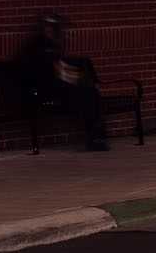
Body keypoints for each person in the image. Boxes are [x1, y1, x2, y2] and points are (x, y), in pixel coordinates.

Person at [16, 11, 112, 150]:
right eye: (54, 28)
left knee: (90, 93)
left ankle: (96, 136)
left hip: (54, 87)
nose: (57, 32)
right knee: (88, 94)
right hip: (39, 91)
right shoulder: (39, 46)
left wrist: (81, 79)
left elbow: (61, 68)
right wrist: (78, 81)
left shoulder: (51, 45)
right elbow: (54, 72)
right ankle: (95, 137)